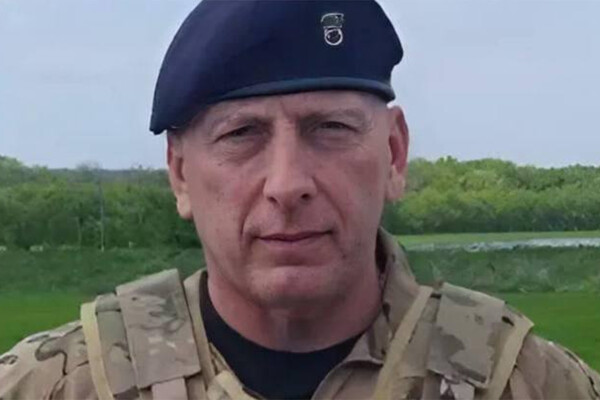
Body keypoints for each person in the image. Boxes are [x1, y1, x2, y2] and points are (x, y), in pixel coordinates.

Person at [1, 1, 599, 399]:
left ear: (394, 154)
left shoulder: (533, 385)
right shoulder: (55, 385)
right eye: (242, 134)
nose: (287, 184)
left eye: (330, 129)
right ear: (180, 174)